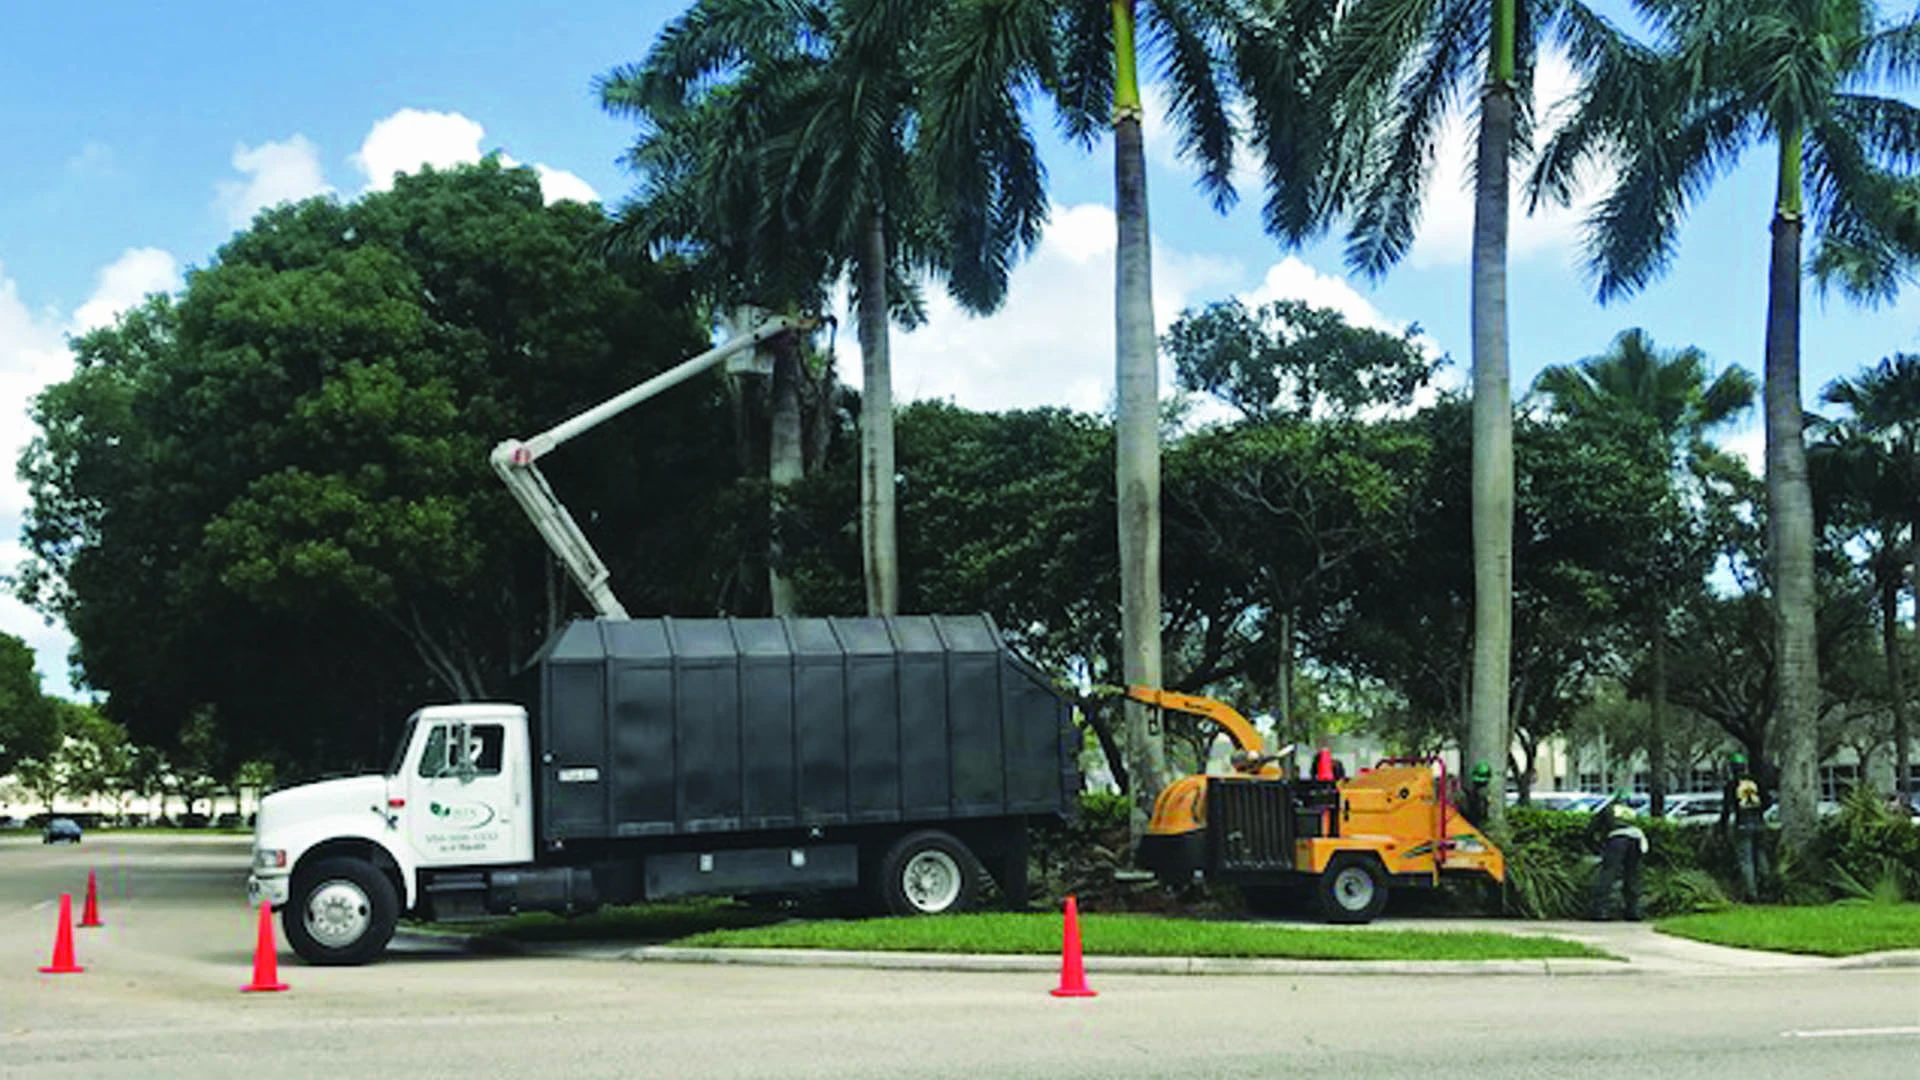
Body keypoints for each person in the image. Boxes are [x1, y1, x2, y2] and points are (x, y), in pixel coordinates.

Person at [1718, 752, 1772, 901]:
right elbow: (1768, 801)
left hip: (1742, 823)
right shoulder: (1756, 781)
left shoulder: (1732, 785)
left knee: (1746, 859)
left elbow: (1726, 808)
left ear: (1732, 768)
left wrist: (1722, 827)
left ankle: (1752, 893)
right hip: (1759, 822)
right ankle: (1768, 887)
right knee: (1761, 855)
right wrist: (1759, 811)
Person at [1588, 791, 1647, 921]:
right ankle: (1634, 911)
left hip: (1617, 840)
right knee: (1632, 874)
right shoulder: (1631, 812)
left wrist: (1595, 847)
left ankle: (1601, 911)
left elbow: (1591, 829)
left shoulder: (1608, 809)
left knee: (1608, 874)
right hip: (1636, 840)